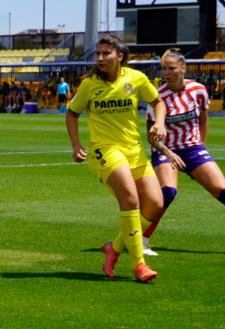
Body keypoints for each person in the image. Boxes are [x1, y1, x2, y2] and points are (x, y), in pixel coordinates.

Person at [141, 49, 225, 255]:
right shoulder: (157, 97)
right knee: (168, 192)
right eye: (164, 68)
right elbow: (151, 136)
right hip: (165, 150)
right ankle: (142, 240)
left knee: (224, 191)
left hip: (193, 149)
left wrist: (201, 146)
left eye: (171, 68)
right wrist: (169, 152)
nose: (166, 72)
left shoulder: (199, 90)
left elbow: (203, 119)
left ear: (183, 69)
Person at [65, 34, 168, 282]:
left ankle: (114, 247)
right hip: (104, 151)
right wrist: (76, 144)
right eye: (97, 54)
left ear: (119, 56)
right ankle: (139, 265)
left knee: (155, 204)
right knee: (131, 199)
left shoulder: (136, 79)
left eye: (105, 54)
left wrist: (160, 123)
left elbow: (158, 102)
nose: (100, 58)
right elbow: (71, 113)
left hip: (134, 150)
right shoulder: (89, 84)